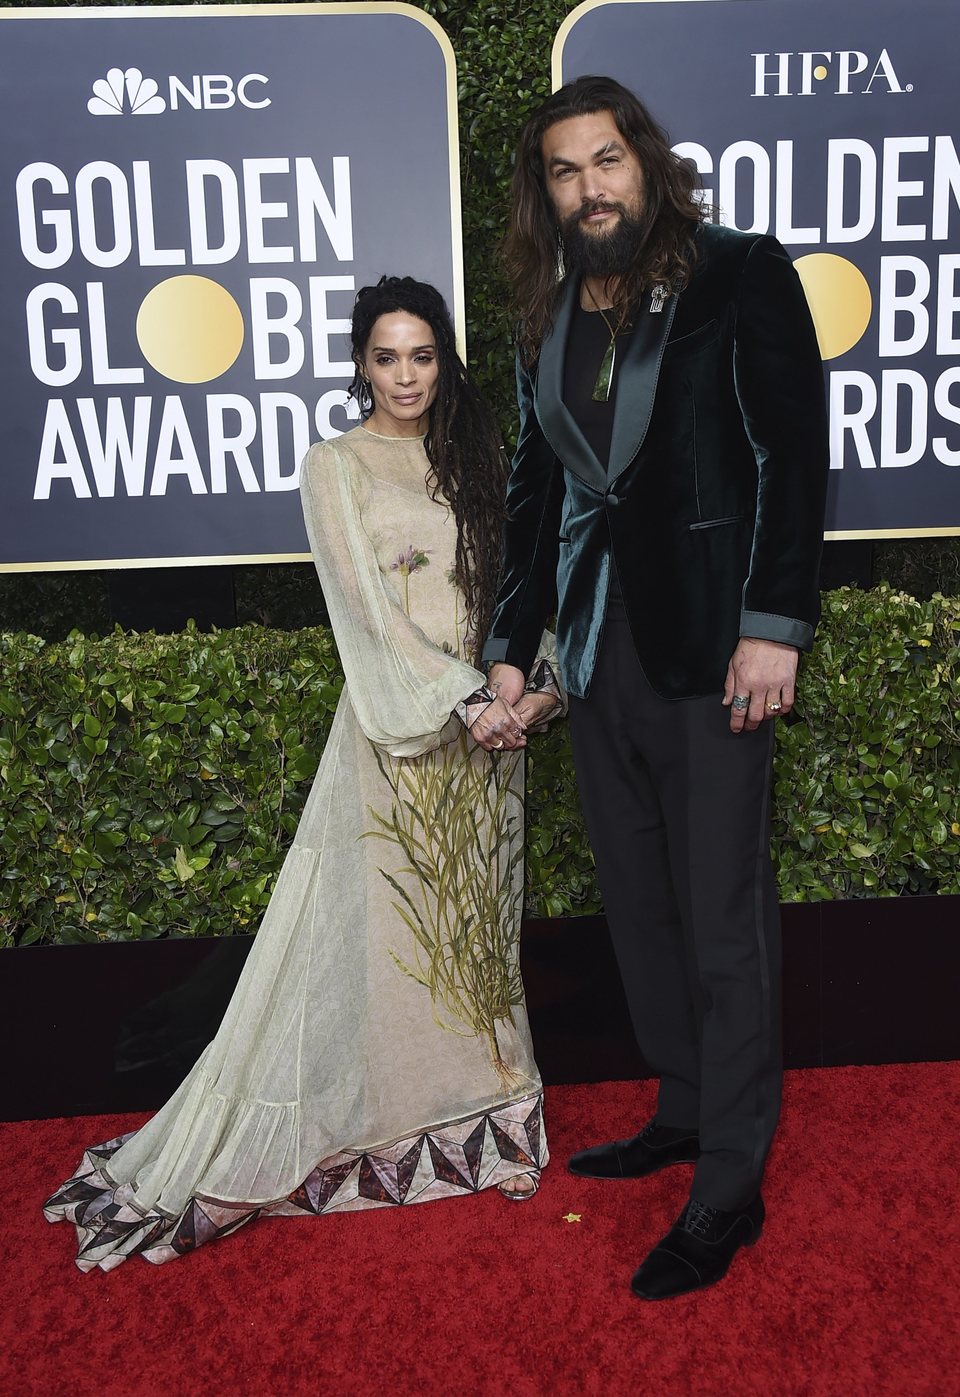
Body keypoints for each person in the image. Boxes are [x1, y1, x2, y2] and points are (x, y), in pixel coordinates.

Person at [44, 276, 562, 1271]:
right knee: (385, 940)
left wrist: (530, 691)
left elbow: (520, 584)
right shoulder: (335, 464)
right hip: (403, 734)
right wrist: (462, 698)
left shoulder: (478, 459)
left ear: (443, 360)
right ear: (359, 363)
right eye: (385, 356)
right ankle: (383, 1116)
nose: (405, 376)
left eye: (422, 355)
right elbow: (364, 609)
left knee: (477, 928)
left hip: (494, 739)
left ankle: (492, 1119)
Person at [482, 76, 829, 1299]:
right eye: (566, 172)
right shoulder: (552, 314)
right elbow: (538, 498)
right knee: (640, 904)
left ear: (646, 163)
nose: (590, 189)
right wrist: (512, 648)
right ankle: (685, 1106)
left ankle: (730, 1183)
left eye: (607, 161)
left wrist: (772, 626)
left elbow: (794, 453)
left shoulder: (740, 271)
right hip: (598, 654)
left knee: (722, 919)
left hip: (715, 652)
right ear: (549, 194)